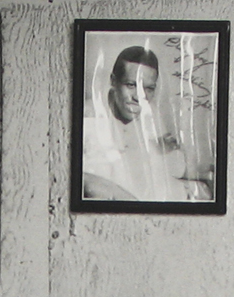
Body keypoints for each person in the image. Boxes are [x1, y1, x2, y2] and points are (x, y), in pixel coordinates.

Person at [81, 45, 206, 203]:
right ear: (113, 81)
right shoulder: (88, 117)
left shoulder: (149, 112)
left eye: (149, 88)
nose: (140, 96)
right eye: (131, 85)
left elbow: (176, 164)